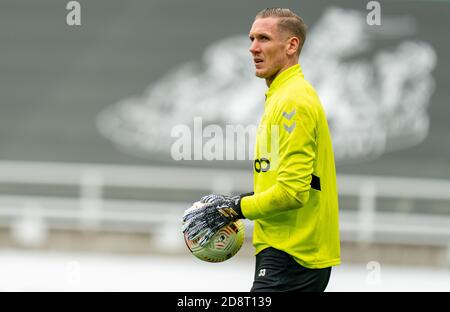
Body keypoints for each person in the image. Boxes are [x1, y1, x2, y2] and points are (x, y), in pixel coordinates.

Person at [182, 8, 340, 292]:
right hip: (286, 251)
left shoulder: (293, 101)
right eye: (252, 38)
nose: (253, 48)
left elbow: (292, 192)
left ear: (292, 45)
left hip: (294, 255)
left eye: (264, 39)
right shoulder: (282, 96)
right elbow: (282, 184)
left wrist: (235, 207)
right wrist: (236, 203)